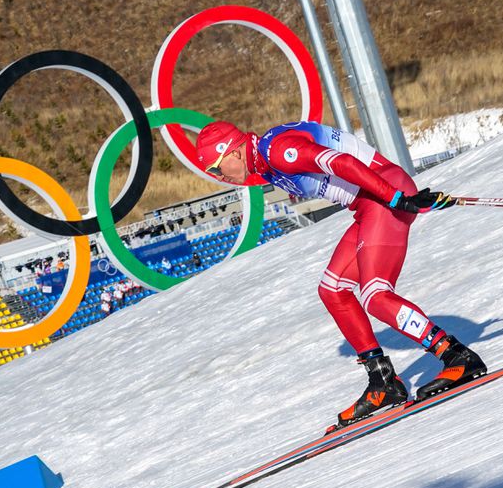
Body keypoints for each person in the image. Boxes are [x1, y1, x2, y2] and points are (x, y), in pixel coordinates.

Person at [195, 120, 487, 430]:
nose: (220, 177)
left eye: (217, 168)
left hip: (383, 192)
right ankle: (383, 381)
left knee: (375, 296)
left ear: (234, 153)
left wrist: (397, 198)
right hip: (368, 203)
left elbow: (342, 162)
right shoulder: (262, 162)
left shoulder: (277, 151)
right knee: (332, 290)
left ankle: (456, 355)